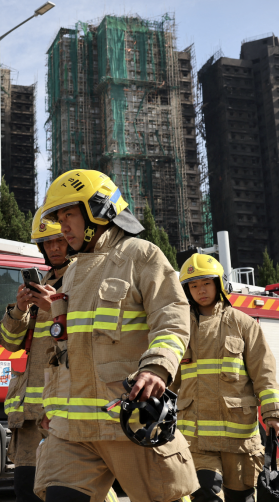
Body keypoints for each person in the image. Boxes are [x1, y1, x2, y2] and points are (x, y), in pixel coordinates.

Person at [33, 169, 198, 502]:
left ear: (99, 209)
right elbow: (69, 348)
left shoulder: (141, 255)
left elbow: (172, 316)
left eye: (69, 214)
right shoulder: (75, 268)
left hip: (129, 420)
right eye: (59, 217)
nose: (63, 226)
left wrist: (156, 368)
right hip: (73, 432)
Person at [0, 208, 120, 502]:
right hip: (31, 414)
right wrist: (21, 309)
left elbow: (93, 338)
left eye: (59, 241)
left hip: (68, 409)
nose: (54, 248)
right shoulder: (42, 285)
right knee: (26, 490)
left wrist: (59, 307)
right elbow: (10, 342)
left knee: (80, 491)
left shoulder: (87, 280)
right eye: (46, 243)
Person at [176, 254, 279, 502]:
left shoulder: (244, 325)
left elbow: (264, 373)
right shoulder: (180, 329)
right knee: (206, 494)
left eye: (205, 283)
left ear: (218, 284)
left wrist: (273, 413)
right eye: (193, 285)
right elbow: (168, 377)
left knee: (242, 498)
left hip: (238, 438)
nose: (200, 290)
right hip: (196, 438)